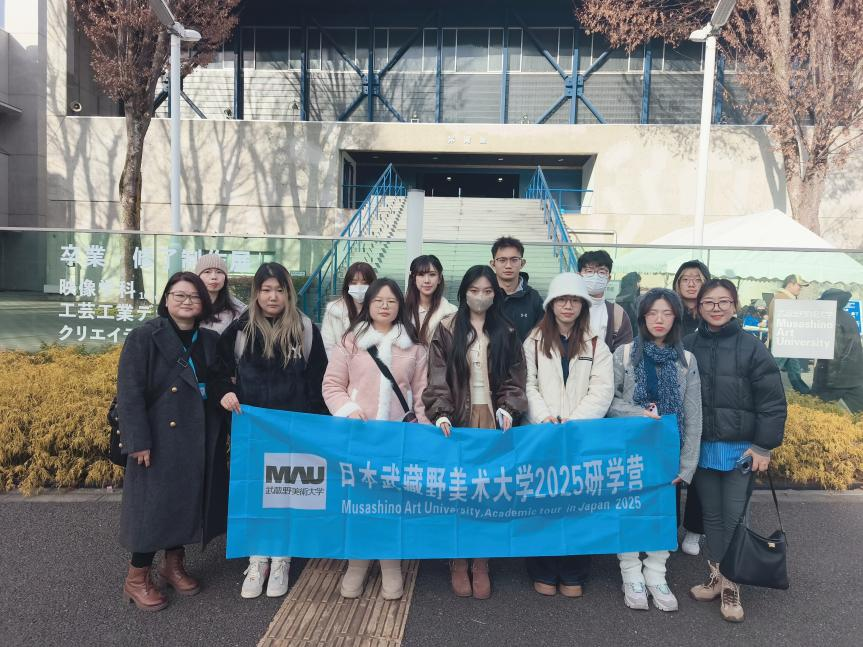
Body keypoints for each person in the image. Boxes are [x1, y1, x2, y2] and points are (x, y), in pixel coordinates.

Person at [211, 262, 328, 600]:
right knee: (255, 493)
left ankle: (282, 558)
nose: (272, 296)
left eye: (279, 290)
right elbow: (216, 373)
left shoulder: (305, 329)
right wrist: (224, 392)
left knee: (288, 494)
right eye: (266, 290)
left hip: (294, 433)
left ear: (288, 293)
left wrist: (314, 428)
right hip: (252, 432)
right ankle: (258, 558)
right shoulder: (240, 330)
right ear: (256, 294)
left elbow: (318, 382)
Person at [116, 272, 227, 612]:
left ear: (203, 303)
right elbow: (129, 393)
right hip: (157, 437)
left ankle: (173, 565)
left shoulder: (209, 340)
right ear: (166, 300)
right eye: (179, 295)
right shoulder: (144, 337)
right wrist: (138, 440)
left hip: (197, 435)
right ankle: (136, 578)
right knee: (153, 508)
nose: (187, 301)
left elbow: (218, 381)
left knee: (184, 502)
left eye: (194, 296)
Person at [423, 265, 528, 600]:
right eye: (474, 291)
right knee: (458, 491)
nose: (480, 297)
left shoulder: (507, 330)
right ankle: (457, 559)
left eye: (487, 291)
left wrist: (509, 407)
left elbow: (516, 377)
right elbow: (437, 377)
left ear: (495, 294)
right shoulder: (446, 328)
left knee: (488, 492)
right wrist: (440, 412)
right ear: (463, 292)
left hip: (493, 419)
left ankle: (481, 561)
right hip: (458, 421)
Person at [685, 278, 786, 623]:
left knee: (734, 517)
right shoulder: (688, 345)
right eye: (709, 302)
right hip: (702, 448)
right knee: (711, 517)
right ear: (699, 307)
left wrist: (763, 446)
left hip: (742, 451)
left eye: (723, 302)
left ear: (735, 306)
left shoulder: (752, 347)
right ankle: (717, 576)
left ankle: (732, 585)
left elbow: (772, 402)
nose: (716, 308)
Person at [322, 278, 430, 600]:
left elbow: (422, 394)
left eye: (391, 301)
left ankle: (390, 563)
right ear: (368, 304)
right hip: (358, 437)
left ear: (400, 306)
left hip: (399, 439)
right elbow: (332, 385)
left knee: (392, 502)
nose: (385, 306)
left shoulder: (414, 346)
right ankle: (357, 562)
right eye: (378, 300)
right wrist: (348, 410)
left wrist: (424, 431)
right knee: (359, 502)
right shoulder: (350, 341)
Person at [607, 288, 702, 613]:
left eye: (666, 313)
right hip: (629, 450)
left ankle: (656, 573)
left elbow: (693, 416)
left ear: (676, 318)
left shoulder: (686, 360)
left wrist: (687, 467)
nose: (659, 319)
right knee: (629, 510)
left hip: (667, 454)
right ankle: (630, 573)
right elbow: (609, 402)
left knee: (663, 513)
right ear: (642, 317)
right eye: (652, 313)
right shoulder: (624, 354)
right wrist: (639, 413)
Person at [523, 273, 614, 598]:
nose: (568, 305)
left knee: (578, 504)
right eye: (562, 299)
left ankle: (574, 571)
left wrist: (573, 423)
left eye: (575, 300)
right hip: (543, 435)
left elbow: (602, 390)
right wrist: (544, 418)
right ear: (551, 304)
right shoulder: (533, 341)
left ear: (583, 306)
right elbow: (527, 384)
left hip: (580, 437)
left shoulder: (596, 343)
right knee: (543, 503)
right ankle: (544, 570)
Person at [671, 259, 711, 555]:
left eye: (697, 278)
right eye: (685, 278)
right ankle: (669, 526)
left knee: (700, 469)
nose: (691, 283)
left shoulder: (712, 316)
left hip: (706, 400)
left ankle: (695, 530)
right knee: (671, 466)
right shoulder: (669, 315)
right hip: (674, 401)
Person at [811, 289, 863, 413]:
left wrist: (827, 384)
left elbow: (835, 353)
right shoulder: (848, 317)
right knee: (858, 414)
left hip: (836, 379)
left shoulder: (832, 319)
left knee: (817, 412)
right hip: (854, 376)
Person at [489, 236, 544, 341]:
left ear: (522, 263)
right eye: (502, 260)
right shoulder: (485, 294)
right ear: (493, 264)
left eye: (514, 260)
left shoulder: (534, 298)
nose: (508, 266)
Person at [577, 250, 633, 352]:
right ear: (579, 275)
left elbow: (623, 353)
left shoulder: (618, 314)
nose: (595, 276)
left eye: (602, 272)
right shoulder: (566, 309)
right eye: (589, 271)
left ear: (609, 278)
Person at [321, 262, 377, 356]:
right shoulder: (334, 310)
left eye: (365, 283)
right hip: (341, 363)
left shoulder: (381, 309)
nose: (359, 286)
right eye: (354, 283)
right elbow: (328, 346)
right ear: (347, 285)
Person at [768, 274, 812, 394]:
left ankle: (803, 392)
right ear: (790, 284)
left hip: (786, 340)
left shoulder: (784, 297)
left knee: (794, 370)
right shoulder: (783, 298)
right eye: (799, 285)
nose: (800, 288)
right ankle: (761, 392)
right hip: (782, 340)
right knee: (772, 371)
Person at [405, 254, 457, 345]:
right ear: (413, 279)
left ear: (439, 278)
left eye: (432, 274)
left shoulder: (451, 311)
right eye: (421, 274)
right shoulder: (402, 309)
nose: (427, 280)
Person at [196, 253, 246, 334]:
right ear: (198, 277)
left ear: (225, 278)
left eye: (219, 272)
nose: (214, 277)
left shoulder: (238, 311)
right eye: (207, 272)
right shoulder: (188, 305)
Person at [672, 260, 711, 338]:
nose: (691, 284)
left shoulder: (713, 314)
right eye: (685, 279)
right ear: (678, 283)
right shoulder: (669, 313)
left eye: (698, 280)